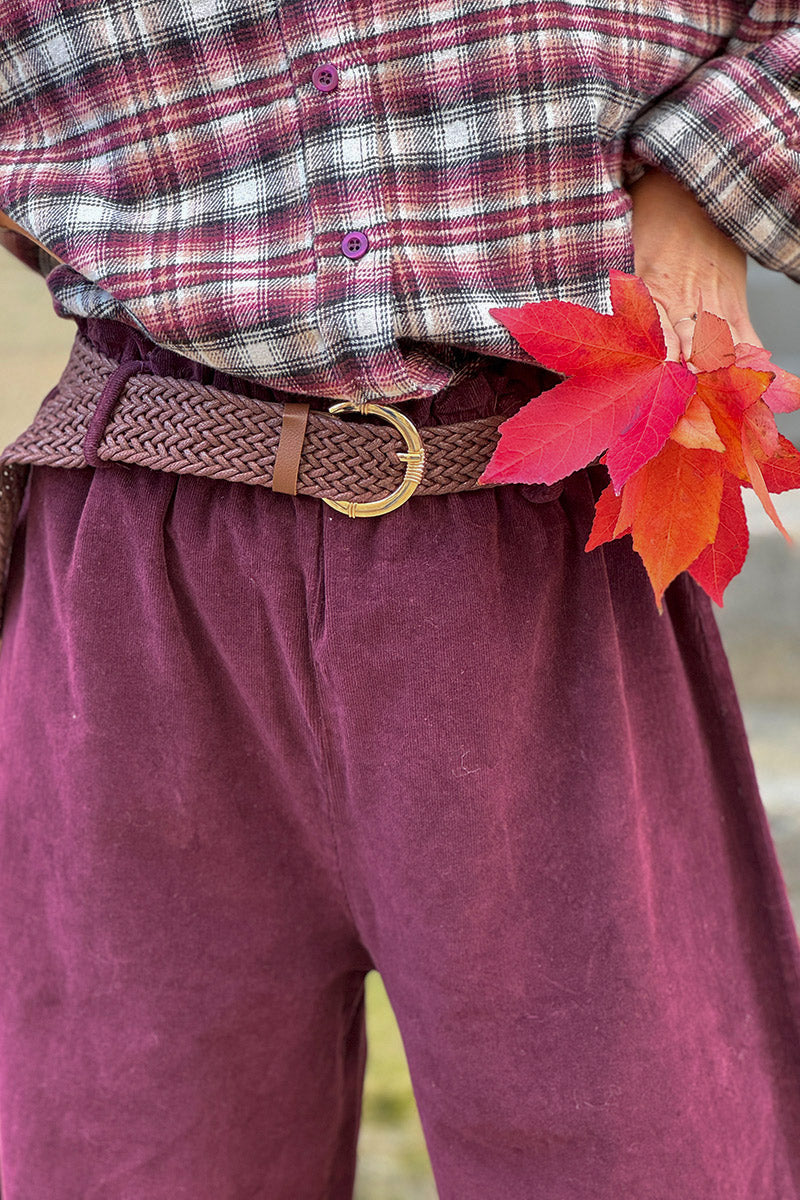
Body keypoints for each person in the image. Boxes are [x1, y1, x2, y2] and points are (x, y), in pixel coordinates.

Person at [0, 1, 798, 1197]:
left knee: (650, 1158)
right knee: (121, 1164)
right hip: (147, 577)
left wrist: (705, 177)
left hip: (535, 545)